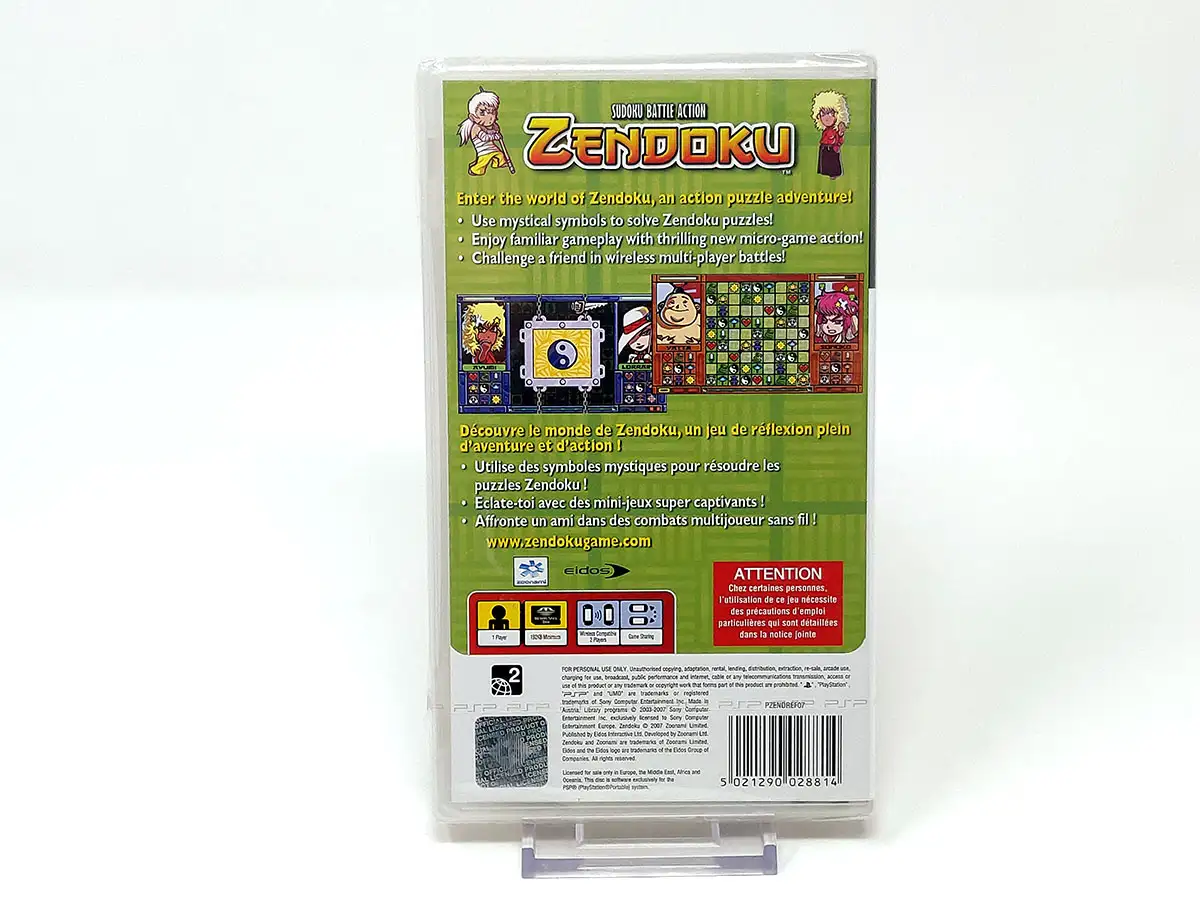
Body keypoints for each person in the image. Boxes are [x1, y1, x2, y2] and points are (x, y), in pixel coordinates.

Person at [458, 87, 510, 176]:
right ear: (473, 116)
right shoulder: (476, 128)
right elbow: (484, 137)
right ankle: (474, 169)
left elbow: (494, 131)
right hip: (484, 150)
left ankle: (498, 164)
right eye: (482, 113)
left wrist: (496, 131)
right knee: (482, 163)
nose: (489, 117)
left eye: (492, 112)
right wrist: (495, 136)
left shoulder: (491, 126)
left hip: (492, 148)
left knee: (500, 155)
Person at [811, 91, 850, 180]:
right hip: (824, 147)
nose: (826, 118)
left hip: (832, 148)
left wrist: (840, 135)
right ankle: (825, 171)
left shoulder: (836, 129)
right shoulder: (825, 130)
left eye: (830, 113)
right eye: (822, 114)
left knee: (833, 162)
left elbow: (840, 139)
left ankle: (834, 174)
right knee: (825, 161)